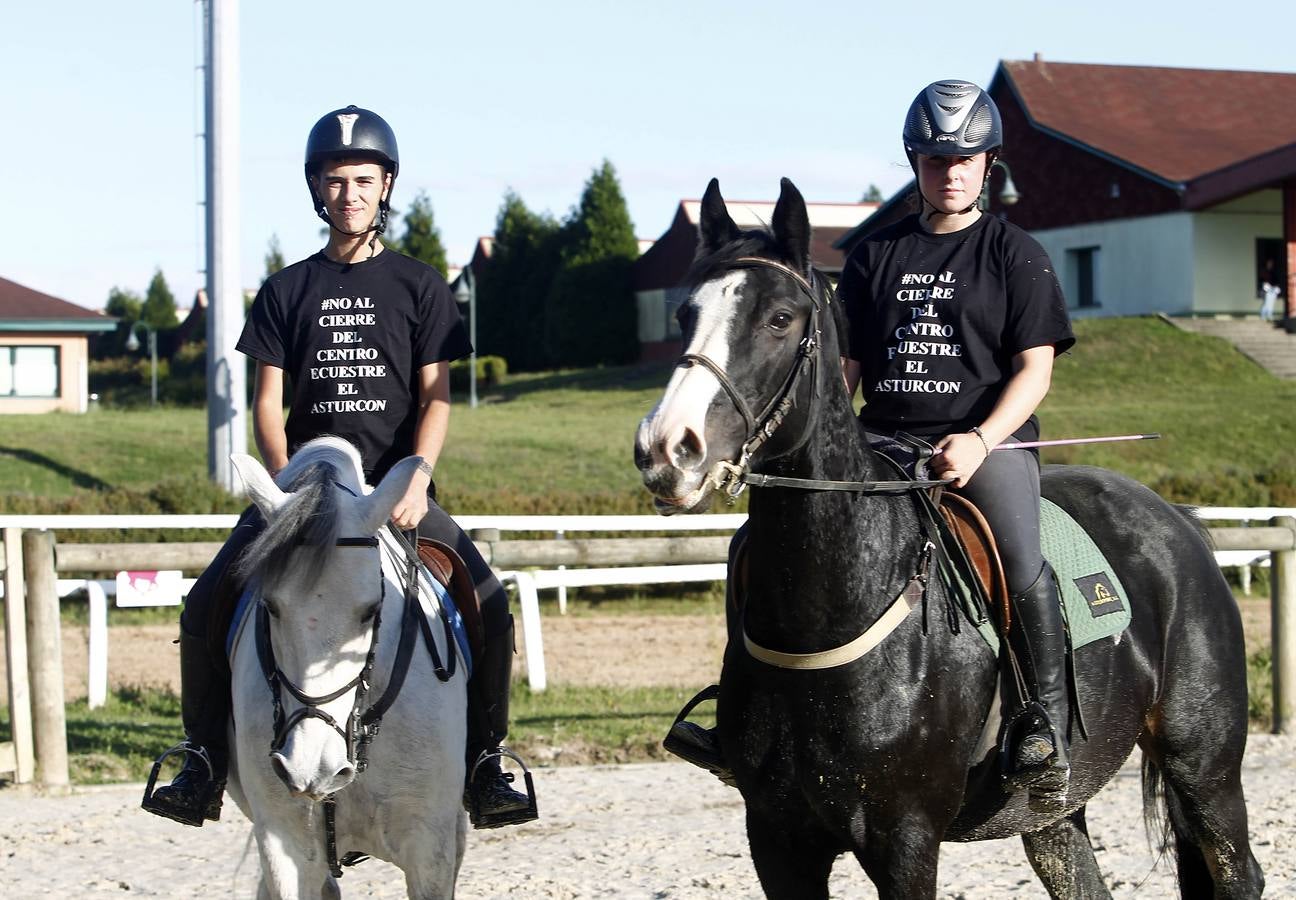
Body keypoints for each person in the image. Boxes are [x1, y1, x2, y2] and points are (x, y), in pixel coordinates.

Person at [666, 81, 1076, 799]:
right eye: (934, 158)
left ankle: (1037, 719)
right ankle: (741, 720)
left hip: (984, 447)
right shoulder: (875, 254)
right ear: (915, 162)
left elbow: (1034, 371)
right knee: (752, 545)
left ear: (988, 164)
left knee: (1019, 553)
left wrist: (979, 440)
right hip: (883, 442)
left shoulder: (1015, 253)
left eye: (965, 159)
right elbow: (844, 368)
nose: (949, 172)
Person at [142, 105, 537, 831]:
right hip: (304, 491)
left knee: (489, 597)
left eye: (363, 179)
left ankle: (486, 763)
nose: (349, 193)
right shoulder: (285, 291)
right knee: (204, 603)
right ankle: (200, 761)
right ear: (316, 189)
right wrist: (285, 484)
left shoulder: (421, 286)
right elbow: (267, 404)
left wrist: (416, 475)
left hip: (393, 492)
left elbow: (436, 397)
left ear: (386, 184)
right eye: (335, 180)